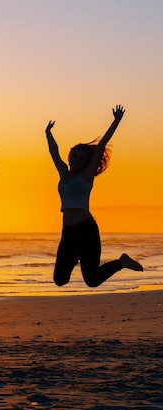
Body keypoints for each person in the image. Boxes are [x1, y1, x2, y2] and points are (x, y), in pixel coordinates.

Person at [45, 104, 143, 287]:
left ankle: (122, 262)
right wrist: (48, 134)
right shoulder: (64, 174)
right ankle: (75, 256)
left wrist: (116, 120)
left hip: (86, 230)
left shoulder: (86, 176)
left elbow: (101, 146)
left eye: (81, 158)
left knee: (92, 280)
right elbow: (53, 152)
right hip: (68, 232)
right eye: (74, 156)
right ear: (69, 156)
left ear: (86, 162)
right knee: (60, 280)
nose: (76, 159)